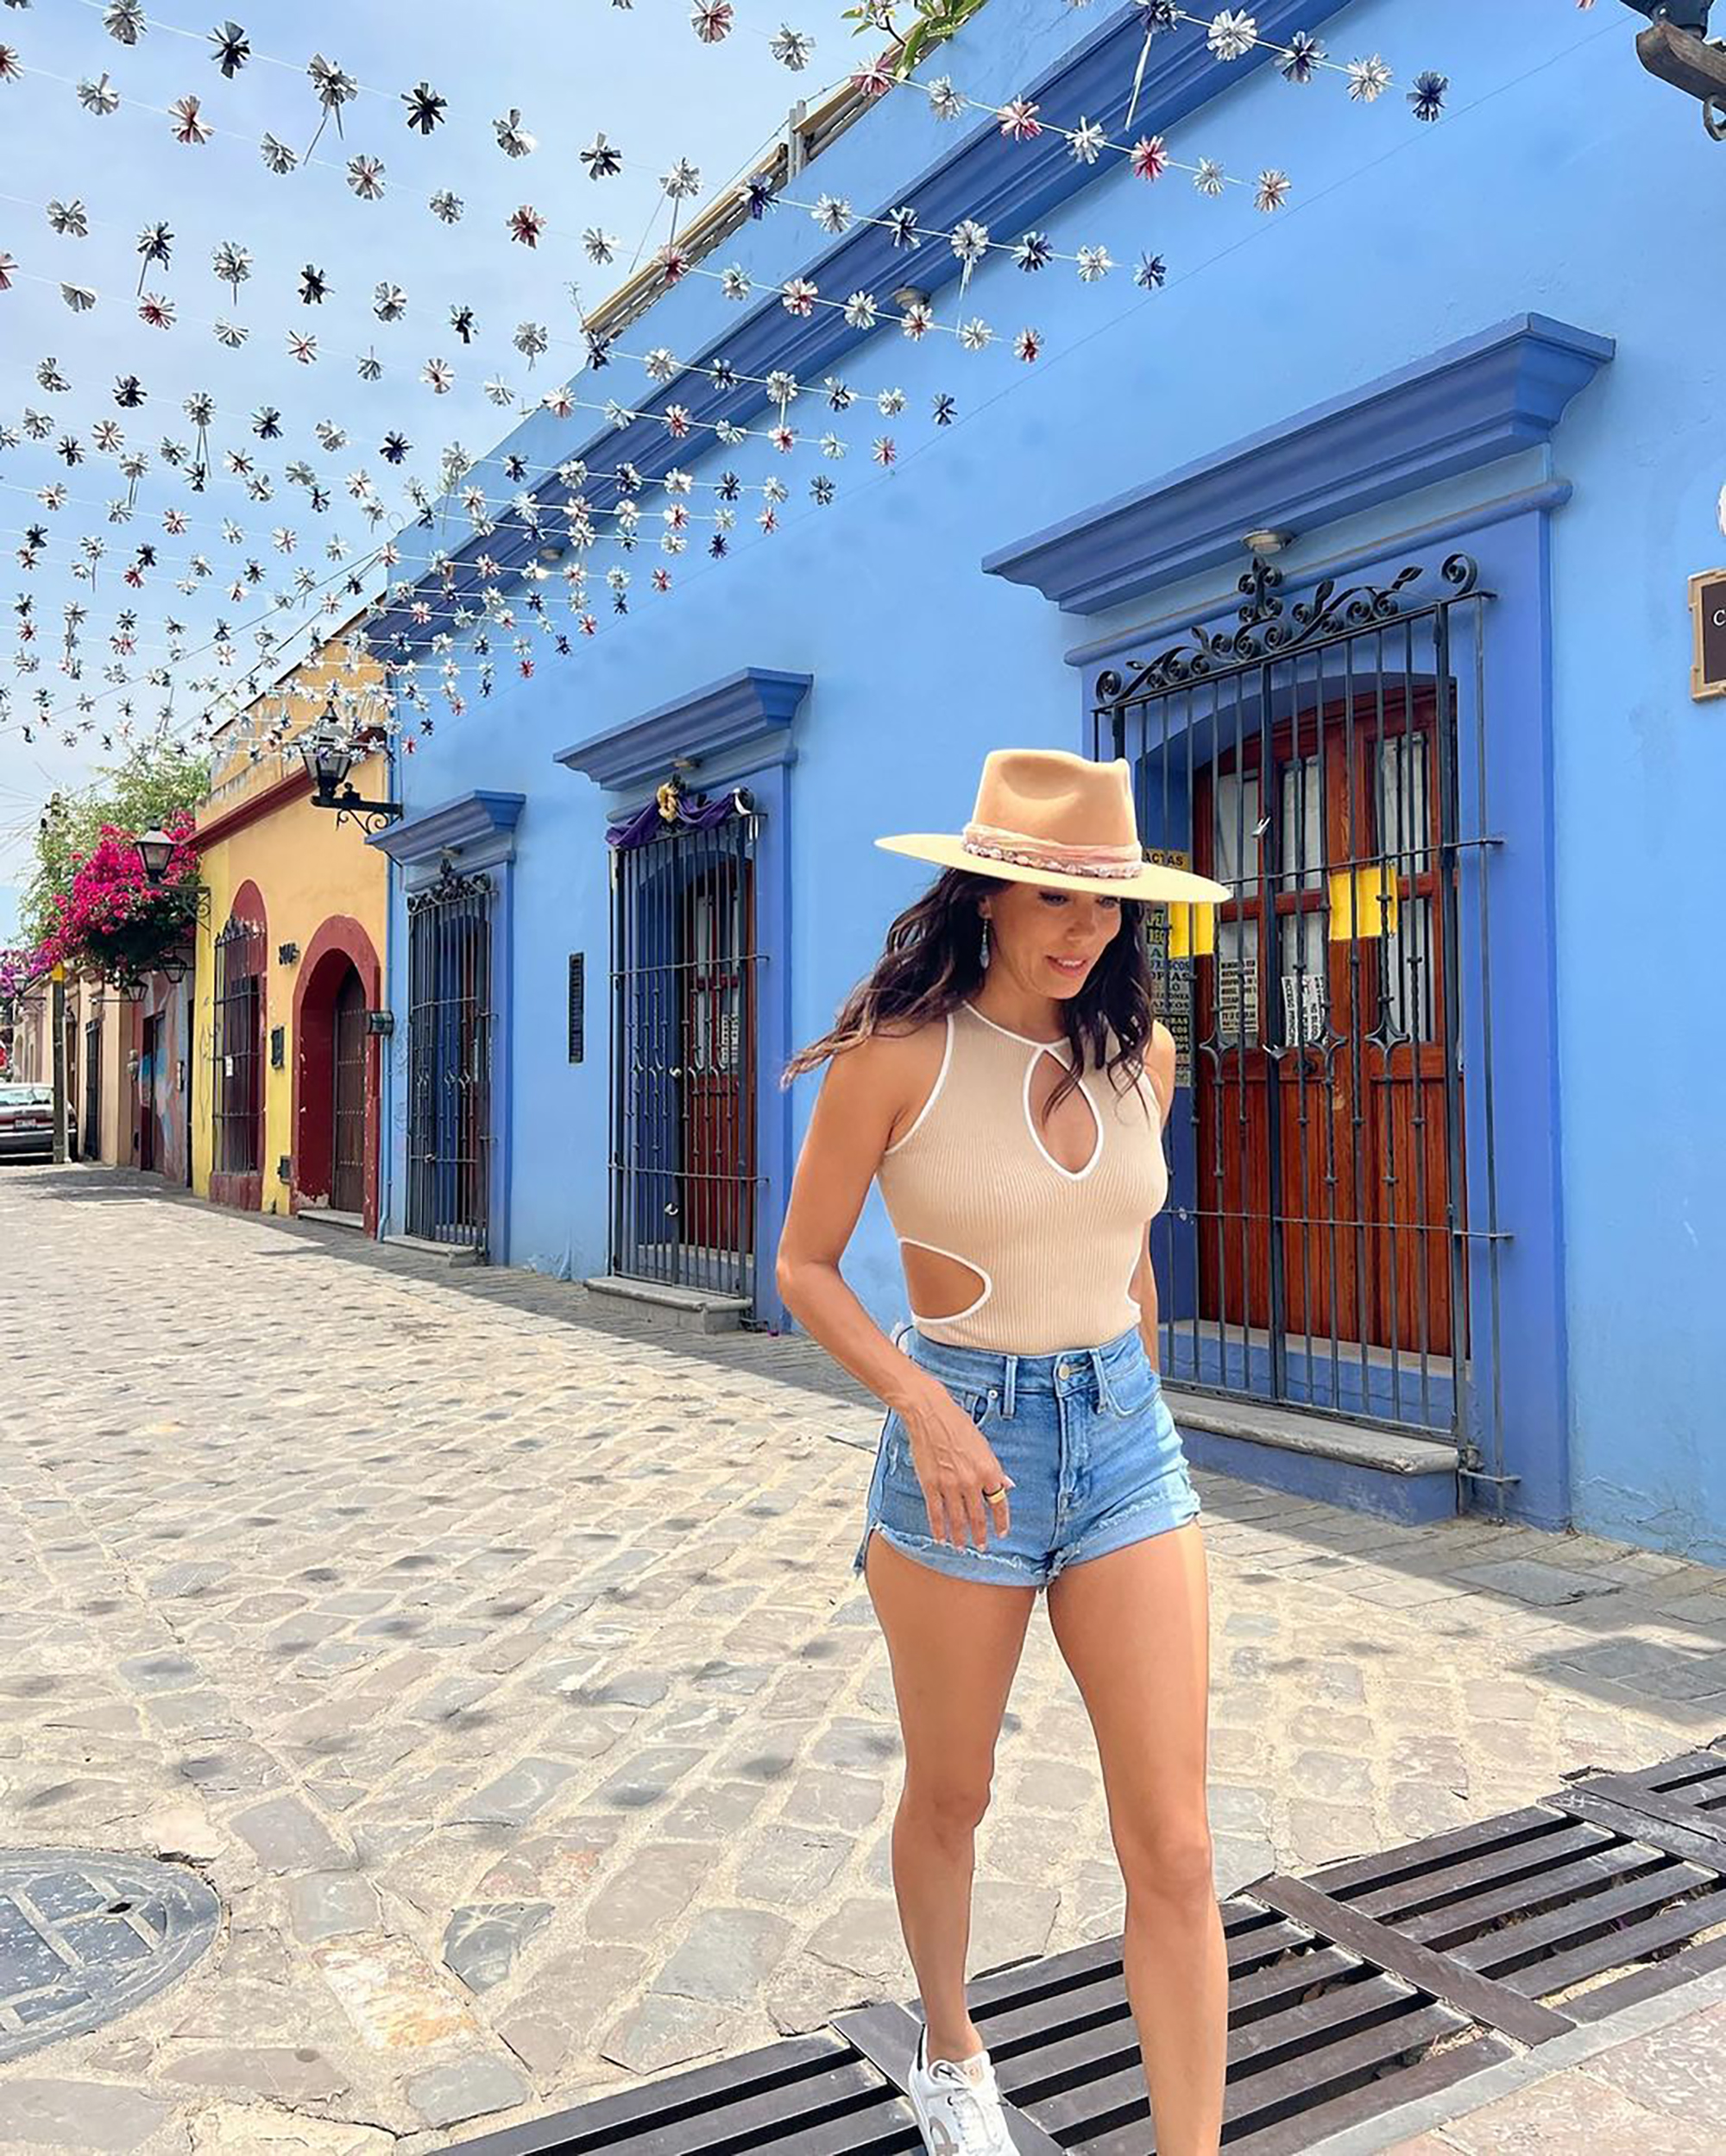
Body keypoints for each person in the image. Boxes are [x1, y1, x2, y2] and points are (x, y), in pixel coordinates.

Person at [777, 747, 1232, 2156]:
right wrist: (922, 1402)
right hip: (963, 1441)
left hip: (1125, 1440)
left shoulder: (1146, 1056)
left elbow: (1128, 1252)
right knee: (953, 1791)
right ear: (986, 893)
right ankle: (950, 2043)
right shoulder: (897, 1056)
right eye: (1052, 895)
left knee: (1178, 1842)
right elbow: (804, 1265)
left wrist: (1134, 1390)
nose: (1082, 927)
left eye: (1105, 900)